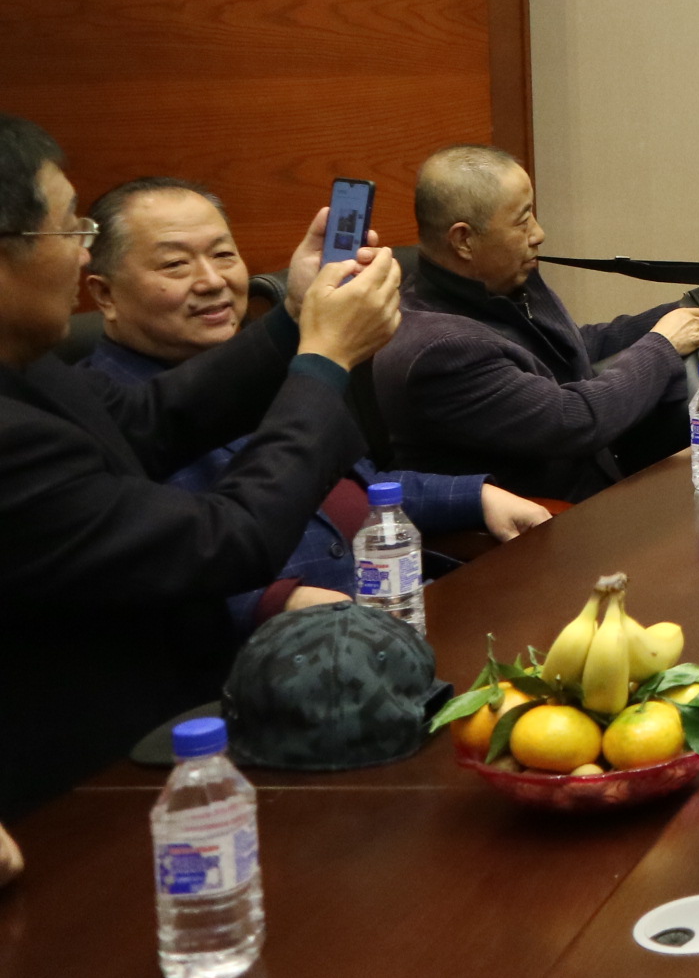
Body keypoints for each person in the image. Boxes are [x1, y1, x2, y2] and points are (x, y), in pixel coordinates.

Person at [0, 113, 403, 814]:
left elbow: (152, 418)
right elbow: (225, 539)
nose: (83, 259)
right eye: (71, 232)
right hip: (80, 794)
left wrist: (294, 317)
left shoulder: (30, 368)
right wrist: (325, 359)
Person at [83, 178, 550, 635]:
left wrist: (475, 496)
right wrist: (275, 603)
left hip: (401, 613)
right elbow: (146, 571)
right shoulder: (99, 417)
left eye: (223, 255)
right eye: (175, 265)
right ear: (105, 295)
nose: (212, 281)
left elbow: (358, 488)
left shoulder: (264, 365)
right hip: (287, 655)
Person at [373, 146, 699, 503]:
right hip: (538, 533)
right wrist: (662, 345)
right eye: (522, 221)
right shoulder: (439, 349)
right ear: (463, 240)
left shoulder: (499, 285)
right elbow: (572, 420)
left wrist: (690, 310)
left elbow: (573, 348)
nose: (538, 234)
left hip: (601, 498)